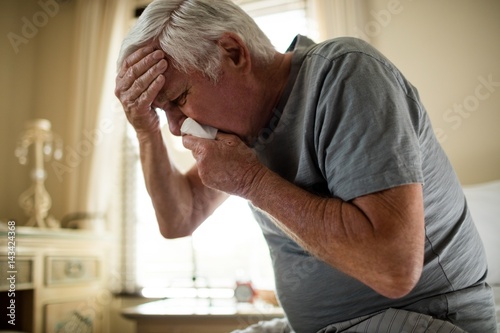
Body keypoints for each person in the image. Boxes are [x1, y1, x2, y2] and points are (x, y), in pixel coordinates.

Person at [114, 0, 498, 332]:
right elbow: (180, 217)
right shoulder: (245, 127)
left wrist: (251, 181)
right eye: (161, 111)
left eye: (178, 100)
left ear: (233, 52)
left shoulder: (345, 74)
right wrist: (145, 130)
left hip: (421, 318)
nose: (178, 128)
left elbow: (393, 268)